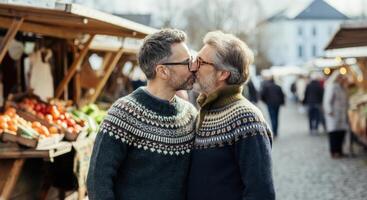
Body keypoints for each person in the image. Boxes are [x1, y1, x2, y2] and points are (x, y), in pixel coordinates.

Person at [87, 29, 198, 200]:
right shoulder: (122, 113)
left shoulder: (190, 114)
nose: (193, 68)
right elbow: (98, 179)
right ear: (163, 71)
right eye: (187, 62)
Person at [187, 31, 275, 200]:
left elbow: (261, 191)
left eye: (201, 62)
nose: (194, 67)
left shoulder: (247, 118)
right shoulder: (205, 112)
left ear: (223, 73)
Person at [323, 72, 349, 158]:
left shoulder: (343, 88)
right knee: (334, 134)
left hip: (342, 114)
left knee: (341, 133)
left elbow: (345, 100)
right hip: (334, 114)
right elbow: (327, 101)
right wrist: (329, 111)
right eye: (341, 78)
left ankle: (340, 150)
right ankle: (334, 151)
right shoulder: (332, 86)